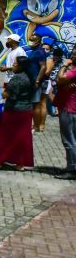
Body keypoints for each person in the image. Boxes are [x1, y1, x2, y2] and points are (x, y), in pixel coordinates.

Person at [0, 56, 35, 170]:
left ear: (21, 66)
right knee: (23, 137)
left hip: (14, 111)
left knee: (4, 136)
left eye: (16, 63)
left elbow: (11, 95)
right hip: (27, 110)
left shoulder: (17, 78)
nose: (14, 65)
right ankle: (20, 163)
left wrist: (4, 94)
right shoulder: (30, 78)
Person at [54, 46, 76, 179]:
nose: (72, 56)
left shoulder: (73, 70)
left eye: (75, 54)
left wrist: (64, 65)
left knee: (69, 140)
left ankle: (72, 169)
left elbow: (60, 79)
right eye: (72, 53)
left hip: (70, 108)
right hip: (69, 107)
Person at [25, 34, 49, 132]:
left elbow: (43, 67)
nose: (30, 42)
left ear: (38, 41)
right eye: (30, 40)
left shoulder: (39, 52)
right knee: (35, 104)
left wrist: (38, 80)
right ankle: (36, 125)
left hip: (37, 81)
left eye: (33, 40)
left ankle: (36, 126)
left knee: (36, 104)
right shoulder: (35, 51)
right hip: (33, 80)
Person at [46, 47, 65, 117]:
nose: (57, 58)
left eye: (59, 57)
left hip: (57, 80)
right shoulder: (49, 59)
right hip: (48, 79)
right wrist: (53, 63)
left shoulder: (63, 60)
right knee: (49, 93)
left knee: (54, 94)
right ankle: (56, 109)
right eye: (56, 57)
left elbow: (62, 70)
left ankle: (57, 109)